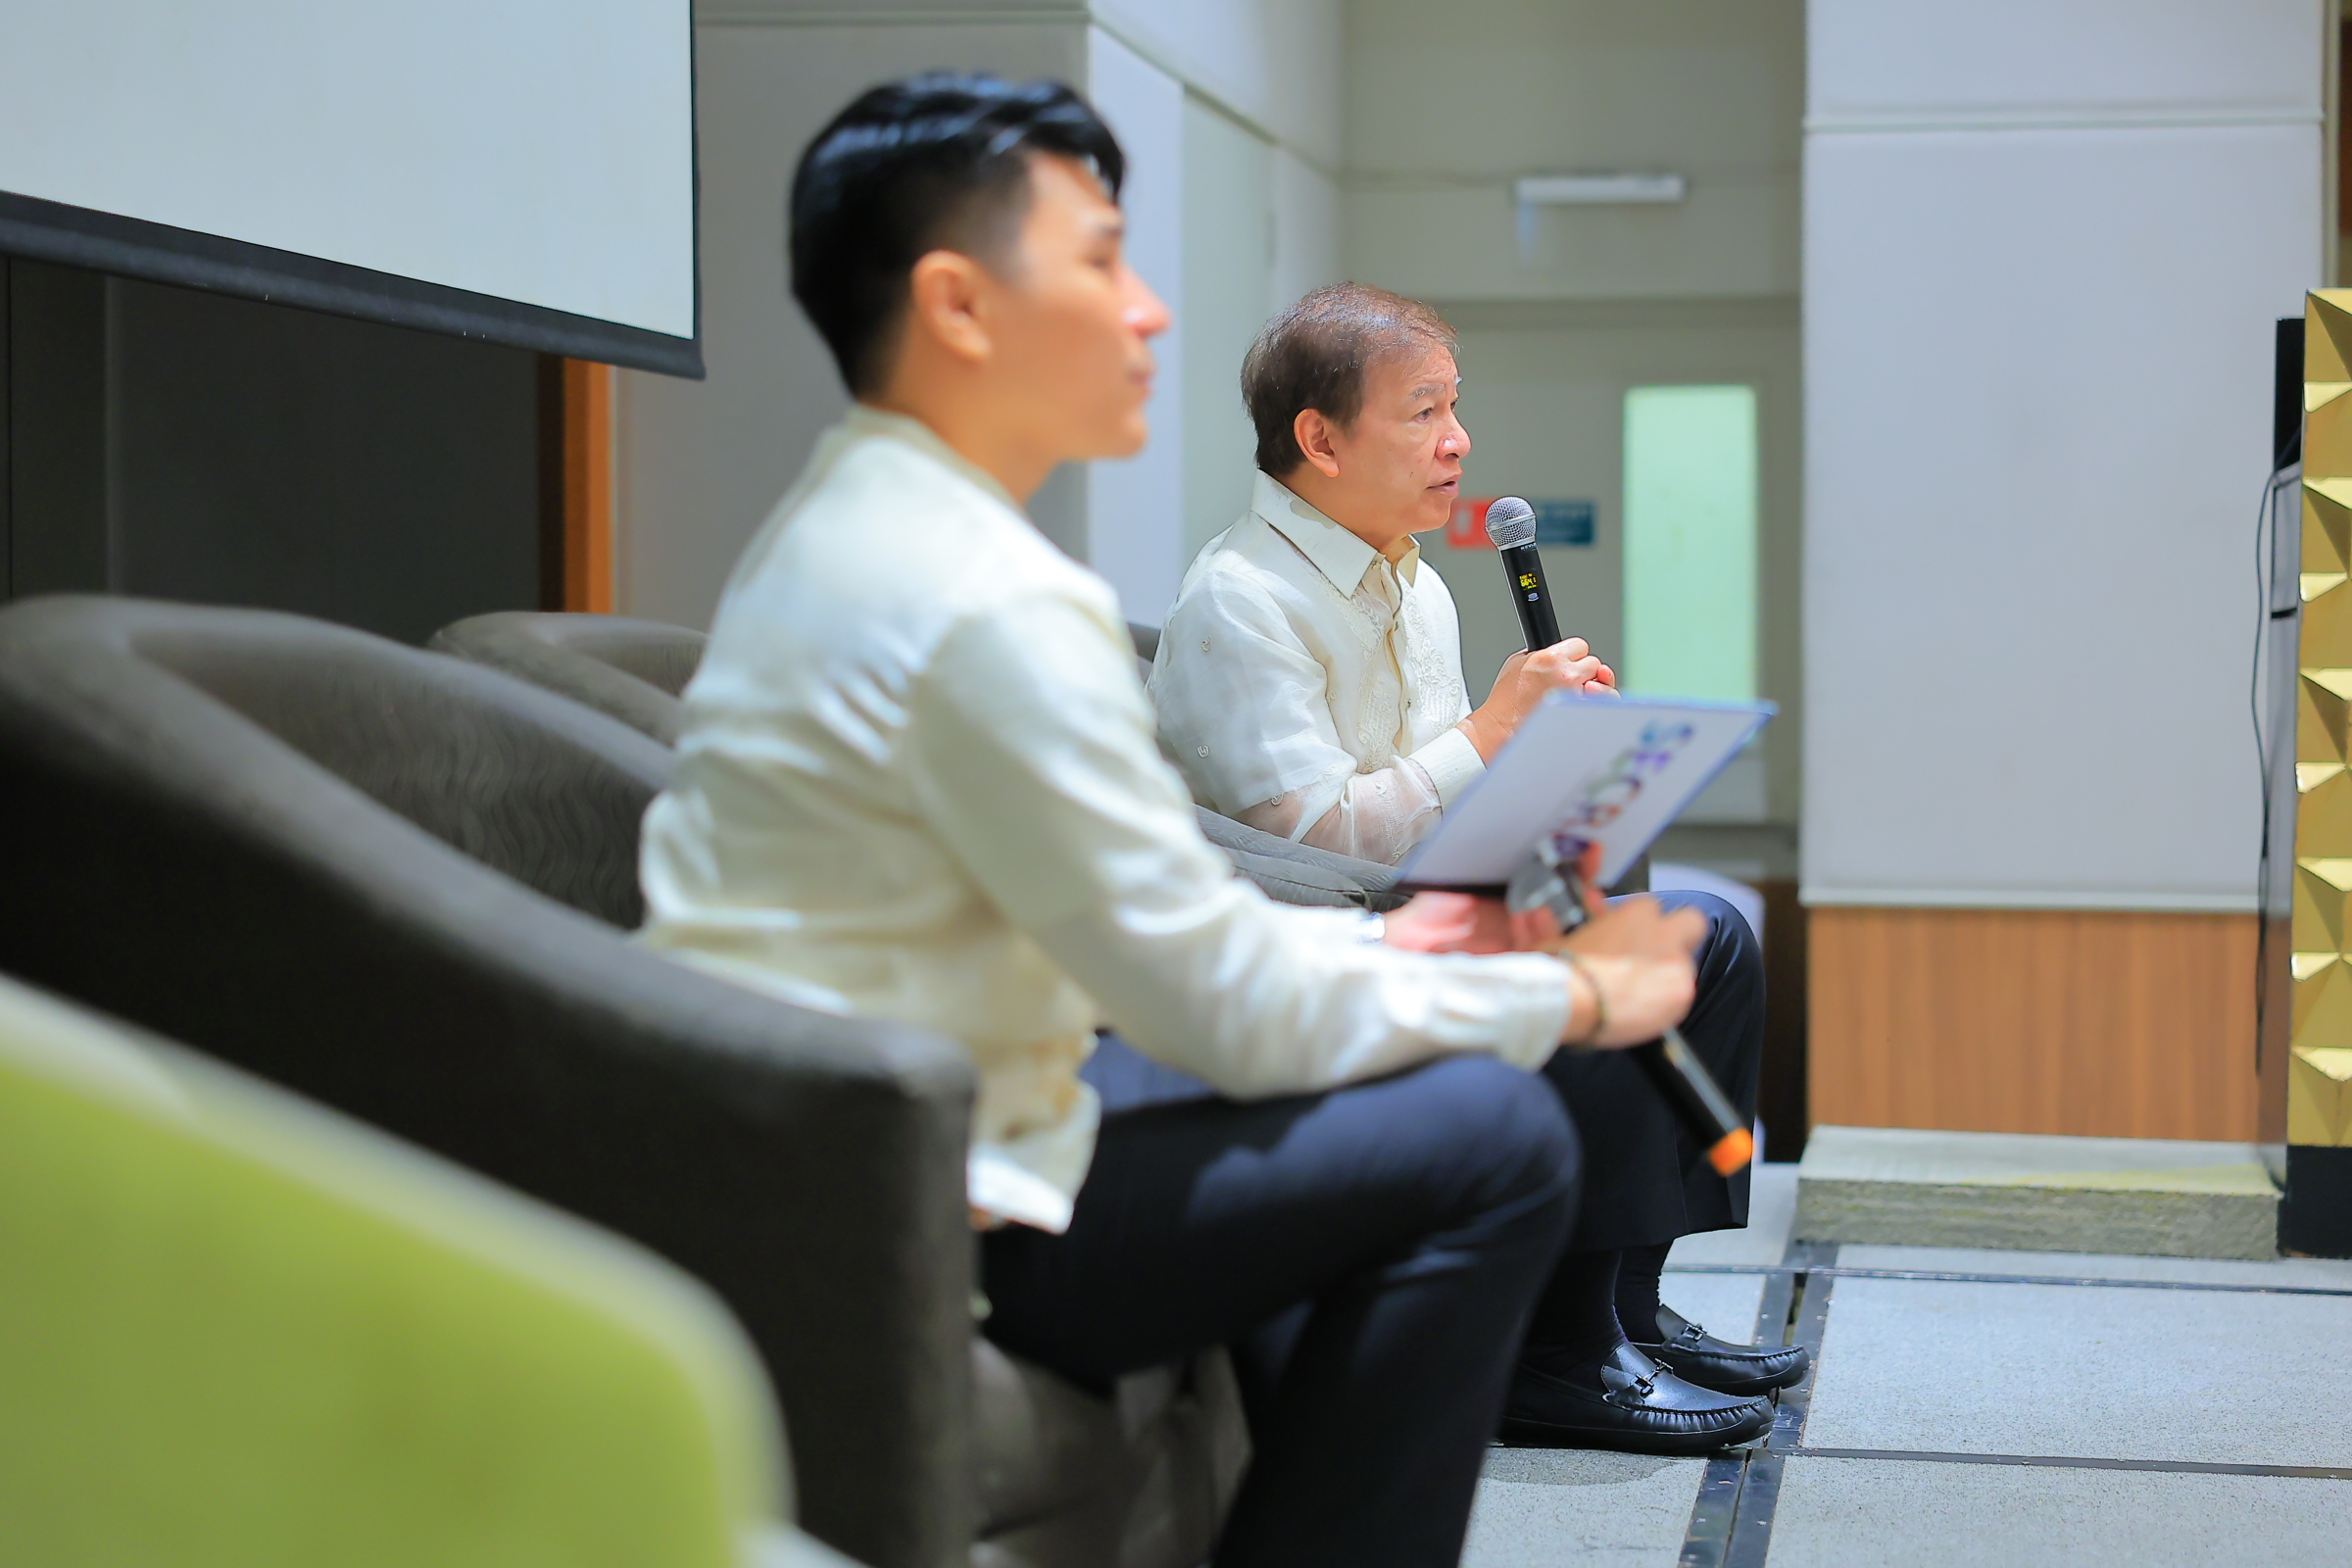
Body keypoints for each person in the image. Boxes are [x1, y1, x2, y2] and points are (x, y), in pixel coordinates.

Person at [634, 74, 1735, 1568]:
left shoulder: (855, 527)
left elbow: (1168, 939)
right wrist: (1568, 995)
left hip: (880, 1131)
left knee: (1386, 1092)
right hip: (921, 1193)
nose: (1148, 310)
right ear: (958, 305)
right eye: (1101, 261)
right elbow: (1215, 995)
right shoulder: (987, 602)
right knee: (1490, 1137)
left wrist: (1407, 952)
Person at [1148, 282, 1807, 1442]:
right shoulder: (1239, 599)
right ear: (1321, 439)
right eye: (1424, 412)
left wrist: (1564, 768)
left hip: (1429, 894)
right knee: (1581, 956)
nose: (1459, 441)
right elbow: (1306, 844)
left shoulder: (1419, 582)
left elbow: (1444, 793)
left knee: (1712, 942)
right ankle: (1556, 1353)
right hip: (1324, 938)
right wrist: (1498, 733)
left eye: (1455, 407)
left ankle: (1625, 1309)